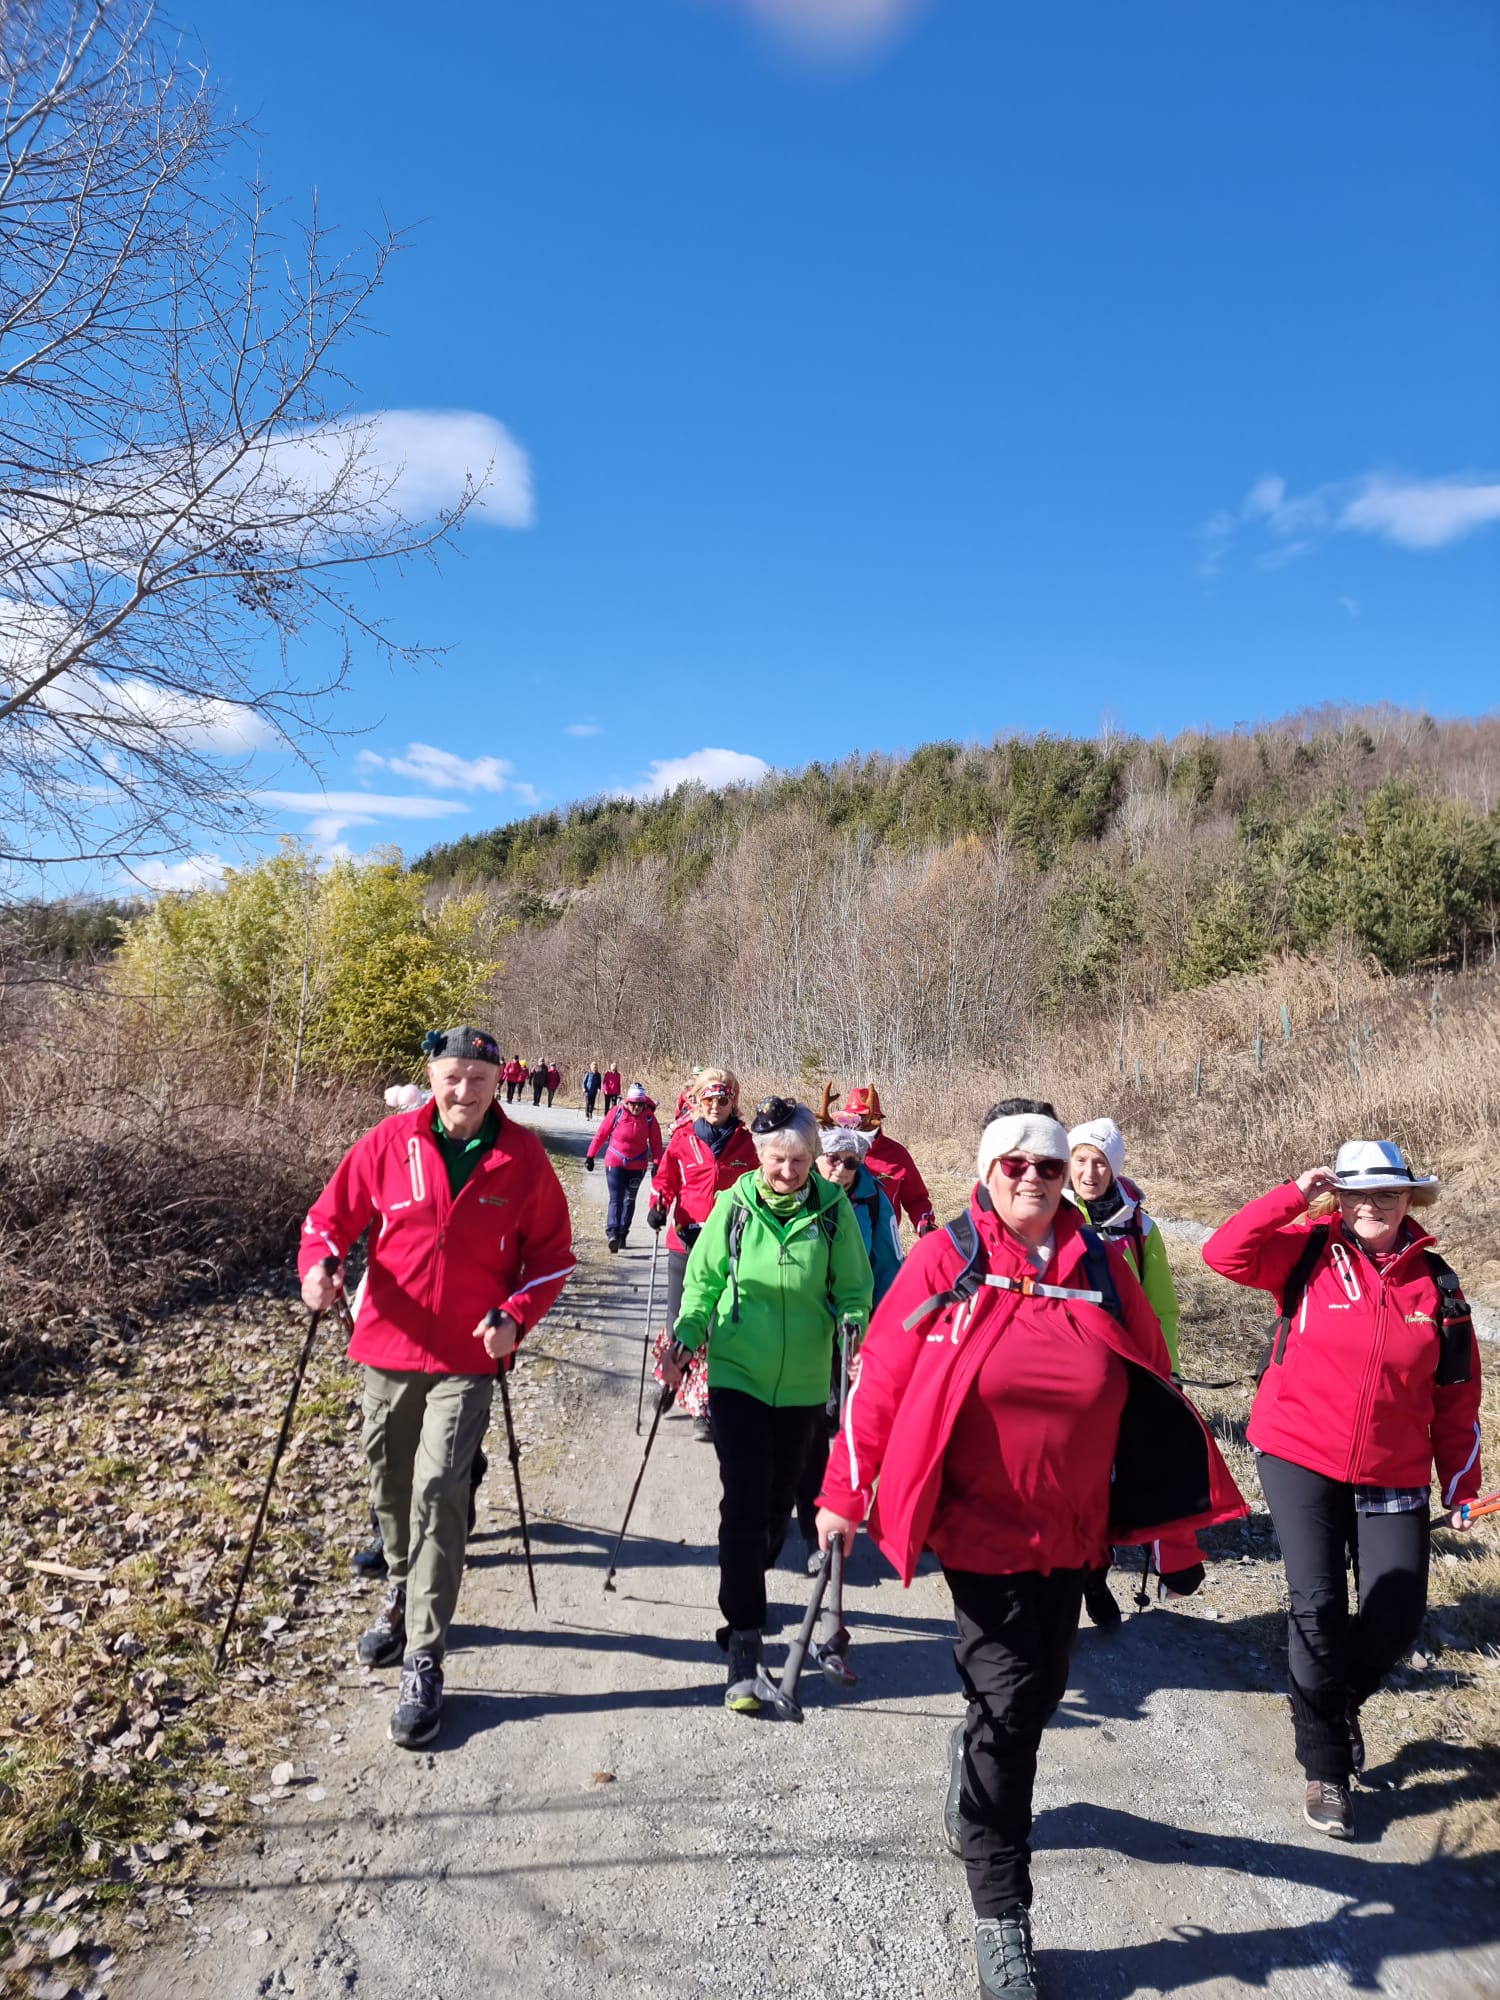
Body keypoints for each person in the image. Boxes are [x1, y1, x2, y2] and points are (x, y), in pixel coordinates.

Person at [817, 1100, 1245, 2000]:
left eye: (1049, 1167)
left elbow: (1155, 1389)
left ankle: (973, 1753)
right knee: (1012, 1710)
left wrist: (1171, 1534)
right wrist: (844, 1495)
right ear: (987, 1171)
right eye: (1015, 1165)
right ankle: (1001, 1912)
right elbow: (880, 1376)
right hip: (979, 1528)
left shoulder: (1100, 1265)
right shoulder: (948, 1257)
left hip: (1076, 1528)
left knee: (1038, 1691)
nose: (1034, 1179)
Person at [300, 1026, 574, 1748]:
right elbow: (328, 1221)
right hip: (387, 1346)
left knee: (440, 1489)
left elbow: (552, 1256)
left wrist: (516, 1315)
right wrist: (319, 1267)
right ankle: (399, 1587)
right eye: (452, 1077)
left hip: (468, 1357)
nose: (464, 1091)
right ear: (432, 1077)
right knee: (389, 1483)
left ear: (497, 1082)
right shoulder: (389, 1142)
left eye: (478, 1079)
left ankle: (424, 1655)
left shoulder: (521, 1157)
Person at [1203, 1139, 1483, 1839]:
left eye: (1388, 1193)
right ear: (1339, 1198)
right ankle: (1325, 1766)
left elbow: (1456, 1397)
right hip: (1298, 1451)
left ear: (1409, 1199)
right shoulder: (1307, 1251)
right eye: (1357, 1194)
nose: (1372, 1206)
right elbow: (1223, 1253)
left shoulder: (1440, 1288)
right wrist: (1292, 1196)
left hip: (1394, 1467)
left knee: (1396, 1616)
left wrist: (1462, 1484)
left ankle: (1328, 1706)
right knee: (1318, 1603)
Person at [662, 1097, 873, 1712]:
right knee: (746, 1501)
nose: (788, 1171)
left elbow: (854, 1287)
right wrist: (686, 1338)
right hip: (739, 1374)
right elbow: (702, 1285)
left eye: (799, 1160)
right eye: (778, 1159)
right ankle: (744, 1634)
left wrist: (854, 1325)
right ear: (759, 1156)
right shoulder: (733, 1206)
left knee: (781, 1501)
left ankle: (752, 1580)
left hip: (804, 1383)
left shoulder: (832, 1210)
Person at [1064, 1117, 1192, 1629]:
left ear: (1114, 1169)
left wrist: (1169, 1371)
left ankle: (1102, 1567)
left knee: (1116, 1474)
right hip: (1064, 1370)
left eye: (1100, 1163)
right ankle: (1085, 1577)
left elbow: (1162, 1308)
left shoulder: (1140, 1228)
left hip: (1125, 1369)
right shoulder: (1048, 1213)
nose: (1089, 1172)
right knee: (1075, 1478)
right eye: (1080, 1160)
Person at [788, 1123, 904, 1564]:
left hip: (857, 1324)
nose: (839, 1169)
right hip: (807, 1322)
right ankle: (811, 1515)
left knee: (849, 1419)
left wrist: (885, 1325)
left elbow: (889, 1266)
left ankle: (836, 1507)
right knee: (814, 1420)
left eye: (850, 1162)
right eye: (832, 1159)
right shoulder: (800, 1192)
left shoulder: (875, 1202)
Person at [646, 1067, 760, 1441]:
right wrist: (659, 1204)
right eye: (708, 1099)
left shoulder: (748, 1144)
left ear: (733, 1101)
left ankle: (703, 1405)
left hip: (728, 1245)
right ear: (697, 1101)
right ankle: (670, 1379)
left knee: (713, 1326)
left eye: (722, 1100)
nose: (715, 1106)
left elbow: (759, 1187)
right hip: (684, 1240)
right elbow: (664, 1180)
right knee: (679, 1320)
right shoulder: (684, 1139)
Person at [823, 1082, 937, 1236]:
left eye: (864, 1117)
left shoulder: (897, 1155)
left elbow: (917, 1199)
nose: (858, 1123)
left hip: (883, 1238)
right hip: (838, 1236)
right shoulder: (833, 1153)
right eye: (854, 1117)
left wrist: (925, 1226)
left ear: (877, 1118)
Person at [585, 1082, 664, 1251]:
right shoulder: (617, 1112)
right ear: (627, 1102)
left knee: (630, 1199)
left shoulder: (649, 1118)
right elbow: (601, 1134)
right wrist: (590, 1155)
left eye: (640, 1104)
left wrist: (657, 1164)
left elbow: (656, 1144)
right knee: (617, 1197)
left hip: (638, 1164)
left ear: (644, 1104)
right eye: (633, 1103)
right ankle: (612, 1233)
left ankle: (623, 1233)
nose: (636, 1107)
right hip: (615, 1161)